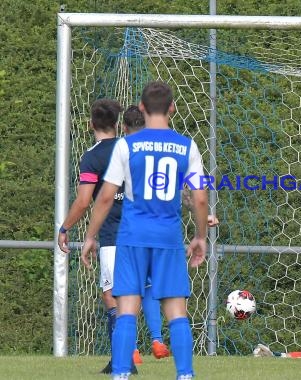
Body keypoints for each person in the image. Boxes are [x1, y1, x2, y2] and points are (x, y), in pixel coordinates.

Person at [81, 81, 209, 380]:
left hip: (132, 236)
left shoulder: (127, 145)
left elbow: (104, 196)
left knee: (127, 307)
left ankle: (121, 374)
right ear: (172, 107)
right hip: (168, 236)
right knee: (176, 311)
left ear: (140, 107)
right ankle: (185, 375)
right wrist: (200, 236)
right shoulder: (187, 145)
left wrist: (90, 236)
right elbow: (200, 197)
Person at [56, 98, 140, 374]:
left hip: (113, 236)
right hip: (141, 233)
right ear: (117, 124)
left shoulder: (92, 157)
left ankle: (122, 360)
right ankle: (125, 357)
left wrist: (65, 228)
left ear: (91, 124)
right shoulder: (130, 148)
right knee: (134, 296)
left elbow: (83, 201)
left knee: (111, 297)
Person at [121, 105, 171, 365]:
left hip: (128, 230)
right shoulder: (160, 149)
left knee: (126, 289)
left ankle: (131, 349)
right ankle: (157, 339)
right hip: (159, 230)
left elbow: (109, 194)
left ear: (124, 127)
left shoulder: (123, 151)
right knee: (151, 287)